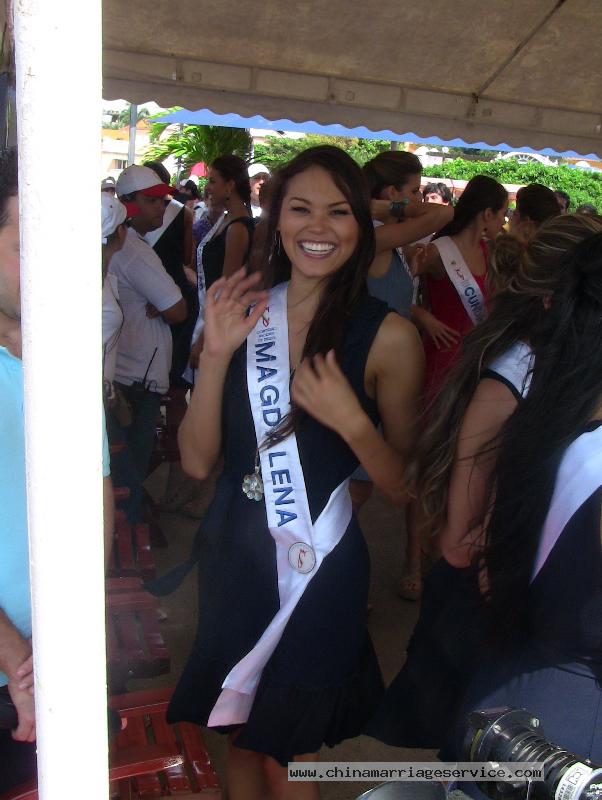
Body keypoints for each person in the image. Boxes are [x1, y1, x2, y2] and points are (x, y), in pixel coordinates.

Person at [169, 145, 424, 800]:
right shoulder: (245, 311)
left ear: (360, 226)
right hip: (233, 558)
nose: (318, 228)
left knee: (288, 752)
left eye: (339, 212)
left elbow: (405, 486)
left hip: (318, 571)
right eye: (300, 208)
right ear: (275, 218)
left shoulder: (388, 336)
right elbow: (197, 461)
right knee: (239, 737)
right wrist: (220, 351)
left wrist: (354, 423)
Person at [366, 212, 602, 752]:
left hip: (520, 618)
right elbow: (458, 541)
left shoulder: (568, 373)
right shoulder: (515, 373)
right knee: (471, 755)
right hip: (484, 617)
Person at [443, 227, 602, 789]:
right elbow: (463, 546)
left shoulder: (559, 411)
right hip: (561, 734)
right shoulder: (524, 389)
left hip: (519, 703)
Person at [0, 150, 114, 791]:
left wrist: (73, 635)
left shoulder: (64, 362)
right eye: (27, 242)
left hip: (55, 667)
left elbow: (93, 499)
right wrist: (18, 659)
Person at [349, 151, 453, 513]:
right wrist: (383, 208)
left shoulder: (383, 239)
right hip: (368, 367)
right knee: (355, 485)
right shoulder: (375, 234)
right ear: (392, 192)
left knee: (358, 483)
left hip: (379, 367)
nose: (420, 199)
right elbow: (444, 213)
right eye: (414, 190)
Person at [110, 165, 187, 519]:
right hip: (136, 375)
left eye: (163, 200)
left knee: (122, 473)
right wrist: (165, 303)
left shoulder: (127, 245)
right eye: (153, 200)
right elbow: (177, 310)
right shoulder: (135, 252)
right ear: (129, 204)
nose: (162, 207)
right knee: (129, 477)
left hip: (125, 370)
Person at [188, 155, 254, 371]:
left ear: (230, 186)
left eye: (213, 181)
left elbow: (226, 290)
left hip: (217, 326)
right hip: (207, 318)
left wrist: (203, 339)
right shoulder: (226, 220)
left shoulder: (237, 228)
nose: (207, 188)